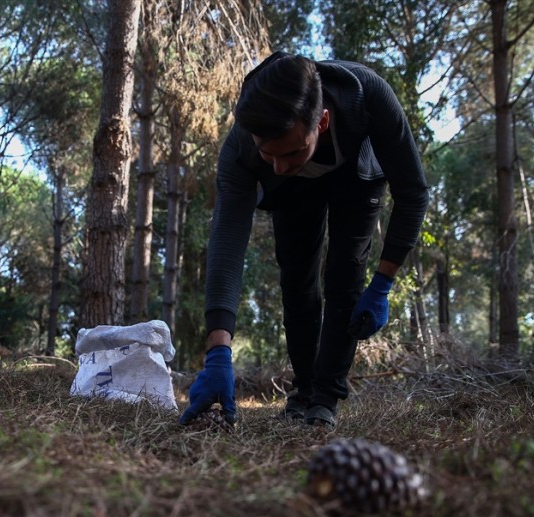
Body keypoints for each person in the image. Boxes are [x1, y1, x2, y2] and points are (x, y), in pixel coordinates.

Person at [179, 52, 429, 429]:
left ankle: (326, 396)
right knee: (296, 281)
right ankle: (304, 388)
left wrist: (382, 284)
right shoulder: (242, 149)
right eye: (270, 153)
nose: (278, 164)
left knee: (346, 276)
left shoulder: (370, 98)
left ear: (322, 121)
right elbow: (227, 238)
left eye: (292, 150)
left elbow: (413, 193)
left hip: (357, 177)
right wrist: (218, 350)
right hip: (293, 193)